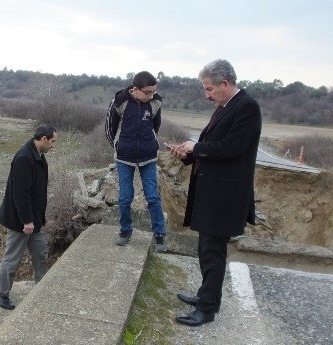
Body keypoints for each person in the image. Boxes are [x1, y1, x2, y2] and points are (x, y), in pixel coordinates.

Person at [169, 60, 261, 326]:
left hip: (226, 195)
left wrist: (195, 148)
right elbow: (213, 148)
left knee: (213, 251)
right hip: (213, 191)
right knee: (206, 247)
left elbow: (233, 148)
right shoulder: (225, 107)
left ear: (225, 83)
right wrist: (187, 155)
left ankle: (207, 308)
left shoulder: (247, 107)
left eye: (210, 89)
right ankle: (206, 296)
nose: (207, 95)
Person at [0, 124, 58, 310]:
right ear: (43, 139)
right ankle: (0, 294)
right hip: (20, 221)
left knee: (41, 254)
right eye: (52, 141)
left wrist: (36, 219)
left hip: (34, 220)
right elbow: (20, 195)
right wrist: (27, 221)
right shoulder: (24, 158)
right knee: (12, 258)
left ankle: (42, 289)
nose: (54, 145)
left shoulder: (38, 156)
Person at [105, 71, 167, 252]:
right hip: (124, 158)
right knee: (125, 198)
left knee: (153, 197)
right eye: (148, 92)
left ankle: (160, 235)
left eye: (154, 91)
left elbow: (156, 126)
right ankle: (125, 231)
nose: (152, 95)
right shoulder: (120, 102)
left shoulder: (155, 102)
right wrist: (118, 146)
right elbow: (109, 128)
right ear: (135, 89)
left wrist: (151, 144)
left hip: (148, 157)